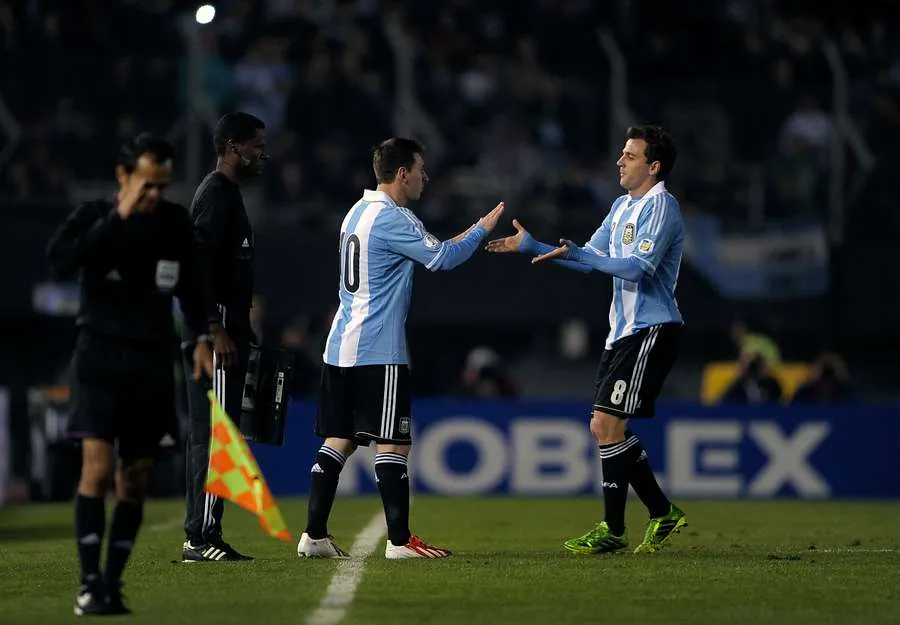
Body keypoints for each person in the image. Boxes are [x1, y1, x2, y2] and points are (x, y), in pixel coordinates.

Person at [297, 137, 505, 559]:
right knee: (394, 444)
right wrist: (482, 227)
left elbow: (436, 249)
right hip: (378, 349)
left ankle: (313, 536)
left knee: (341, 438)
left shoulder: (356, 213)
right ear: (402, 173)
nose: (425, 178)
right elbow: (443, 259)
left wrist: (466, 231)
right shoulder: (396, 218)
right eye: (421, 170)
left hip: (339, 346)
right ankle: (399, 541)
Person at [486, 125, 687, 555]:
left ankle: (615, 529)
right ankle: (662, 511)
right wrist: (532, 246)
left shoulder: (662, 208)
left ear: (653, 166)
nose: (619, 161)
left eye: (630, 156)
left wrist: (579, 253)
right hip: (623, 333)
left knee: (606, 424)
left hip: (651, 329)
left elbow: (636, 269)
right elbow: (587, 259)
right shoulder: (620, 207)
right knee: (604, 425)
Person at [46, 133, 215, 615]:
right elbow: (60, 261)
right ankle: (88, 581)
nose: (155, 195)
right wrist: (116, 217)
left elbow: (195, 288)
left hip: (151, 363)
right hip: (98, 357)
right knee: (96, 470)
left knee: (135, 479)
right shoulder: (94, 218)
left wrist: (202, 336)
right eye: (147, 184)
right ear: (124, 176)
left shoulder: (173, 224)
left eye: (162, 185)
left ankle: (111, 585)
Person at [181, 112, 268, 562]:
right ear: (233, 147)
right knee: (216, 436)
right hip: (214, 336)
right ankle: (201, 538)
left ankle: (202, 533)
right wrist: (215, 328)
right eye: (256, 145)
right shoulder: (216, 195)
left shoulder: (227, 194)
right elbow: (196, 268)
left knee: (216, 434)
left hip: (226, 332)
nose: (262, 154)